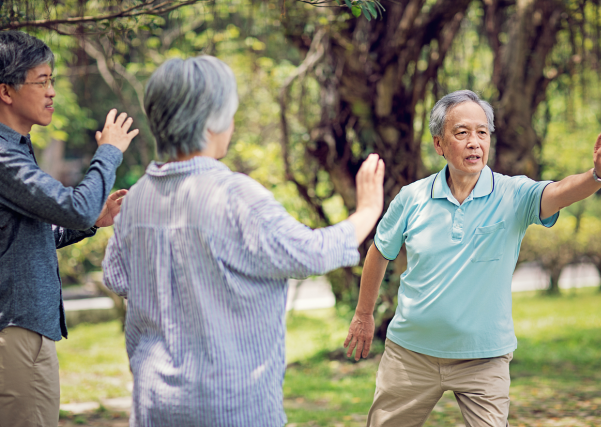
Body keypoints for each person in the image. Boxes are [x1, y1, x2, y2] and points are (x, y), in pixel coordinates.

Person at [101, 55, 385, 427]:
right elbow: (309, 254)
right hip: (230, 404)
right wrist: (365, 212)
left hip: (155, 402)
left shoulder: (137, 198)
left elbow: (116, 278)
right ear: (212, 121)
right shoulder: (233, 194)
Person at [343, 90, 601, 427]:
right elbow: (380, 251)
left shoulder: (513, 194)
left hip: (484, 358)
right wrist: (363, 314)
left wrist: (597, 176)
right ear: (439, 144)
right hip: (411, 354)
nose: (474, 142)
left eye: (482, 133)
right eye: (462, 133)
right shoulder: (412, 197)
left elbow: (558, 191)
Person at [0, 31, 139, 427]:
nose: (52, 92)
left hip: (25, 332)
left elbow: (30, 236)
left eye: (52, 81)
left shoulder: (16, 149)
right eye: (41, 81)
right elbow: (74, 208)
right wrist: (109, 152)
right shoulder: (3, 156)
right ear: (6, 92)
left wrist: (93, 222)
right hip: (16, 335)